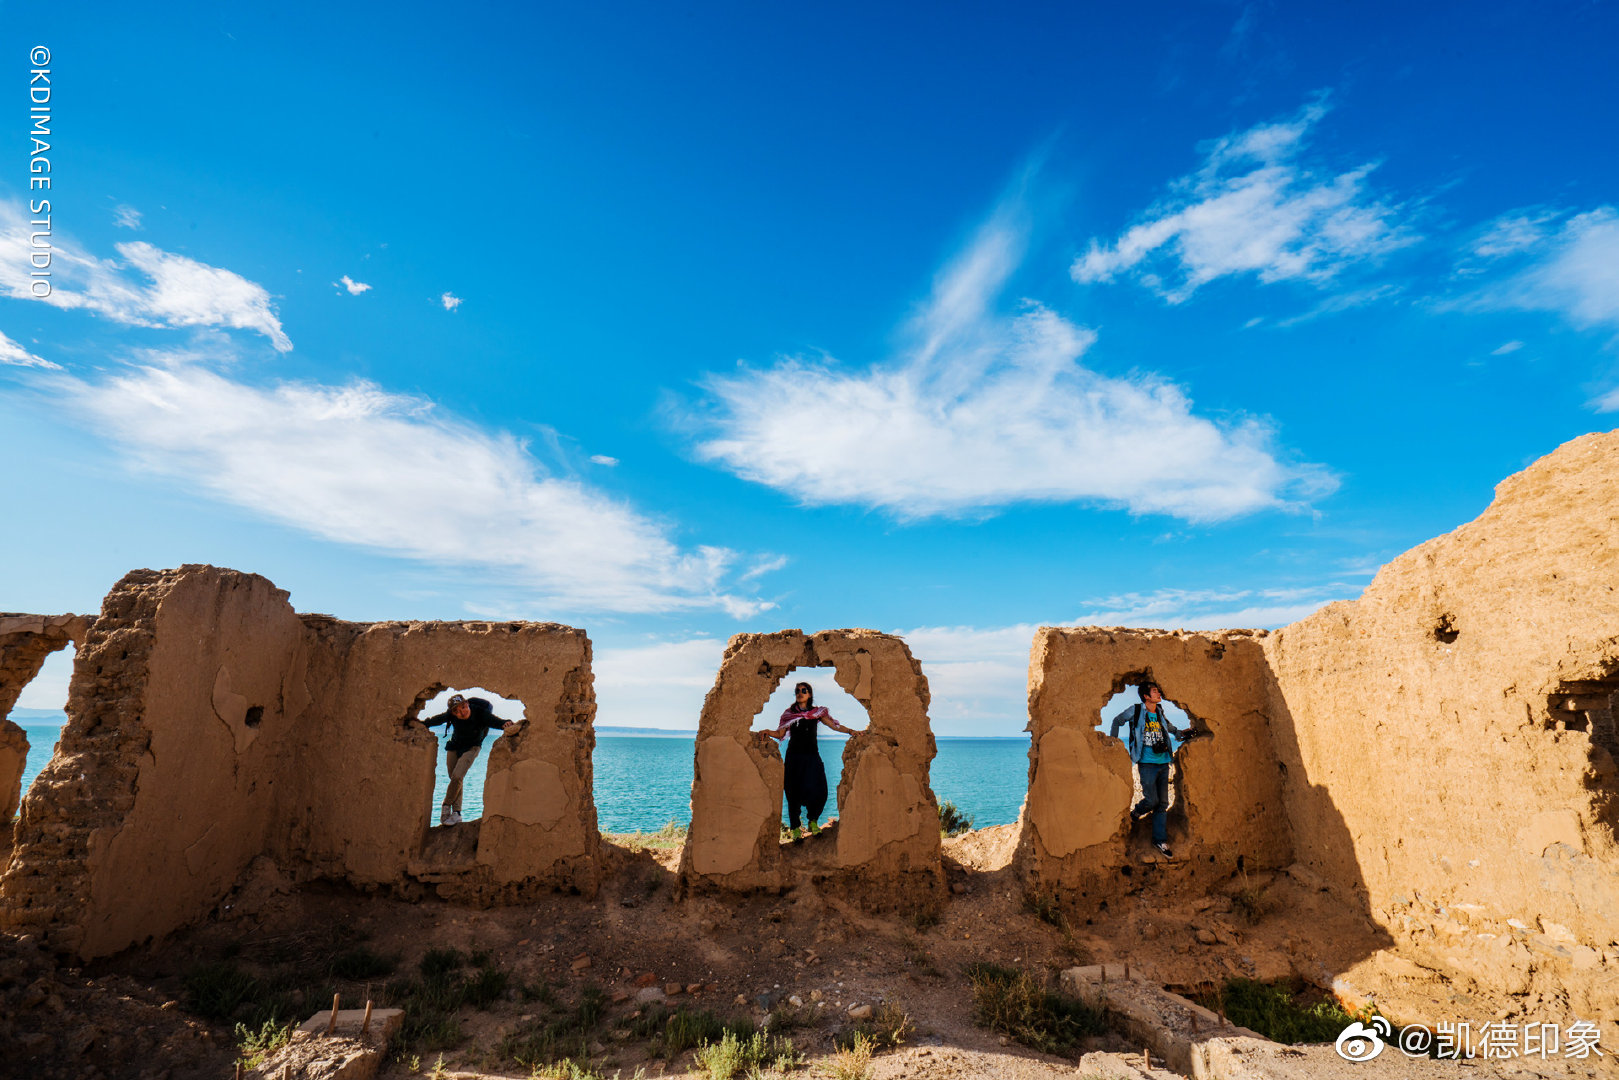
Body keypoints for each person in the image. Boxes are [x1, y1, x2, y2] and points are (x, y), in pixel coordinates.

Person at [762, 681, 861, 840]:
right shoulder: (789, 714)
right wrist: (768, 732)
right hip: (794, 757)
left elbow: (834, 726)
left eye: (804, 690)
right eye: (797, 691)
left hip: (812, 756)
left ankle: (812, 821)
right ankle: (795, 828)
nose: (800, 693)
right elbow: (781, 734)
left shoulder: (817, 713)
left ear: (809, 694)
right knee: (792, 792)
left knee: (820, 789)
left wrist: (850, 731)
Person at [1108, 681, 1193, 858]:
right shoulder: (1137, 710)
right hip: (1146, 763)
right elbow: (1117, 720)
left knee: (1162, 803)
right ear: (1146, 696)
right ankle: (1136, 812)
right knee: (1152, 799)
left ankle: (1159, 840)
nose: (1158, 693)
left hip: (1163, 762)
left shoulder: (1160, 711)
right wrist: (1113, 742)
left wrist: (1182, 734)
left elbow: (1169, 727)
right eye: (1155, 691)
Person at [421, 693, 519, 825]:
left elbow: (494, 721)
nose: (461, 712)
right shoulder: (451, 715)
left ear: (467, 704)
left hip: (472, 748)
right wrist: (422, 724)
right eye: (456, 711)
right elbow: (437, 720)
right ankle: (457, 813)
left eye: (463, 707)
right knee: (455, 778)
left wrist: (504, 723)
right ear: (453, 713)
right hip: (454, 746)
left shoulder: (480, 713)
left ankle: (446, 806)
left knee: (457, 777)